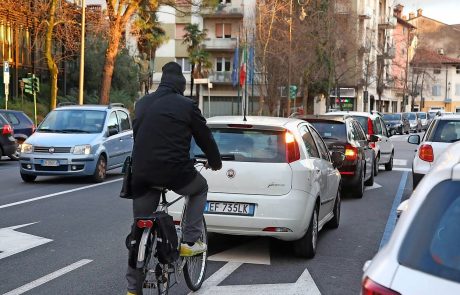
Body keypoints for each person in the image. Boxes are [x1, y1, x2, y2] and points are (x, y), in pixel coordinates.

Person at [125, 62, 222, 295]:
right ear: (181, 85)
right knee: (200, 188)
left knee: (139, 229)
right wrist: (215, 162)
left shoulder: (142, 103)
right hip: (175, 171)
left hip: (141, 173)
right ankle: (189, 242)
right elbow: (205, 138)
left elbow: (139, 136)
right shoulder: (187, 106)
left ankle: (132, 289)